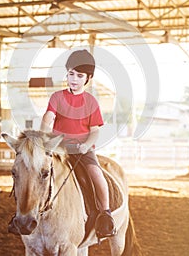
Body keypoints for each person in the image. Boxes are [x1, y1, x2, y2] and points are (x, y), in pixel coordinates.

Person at [40, 49, 116, 239]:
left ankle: (105, 214)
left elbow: (95, 131)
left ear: (88, 78)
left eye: (79, 75)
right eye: (71, 74)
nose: (73, 79)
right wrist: (44, 136)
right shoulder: (57, 97)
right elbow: (48, 117)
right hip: (59, 149)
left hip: (83, 150)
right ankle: (25, 211)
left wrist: (86, 145)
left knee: (96, 174)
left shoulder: (91, 102)